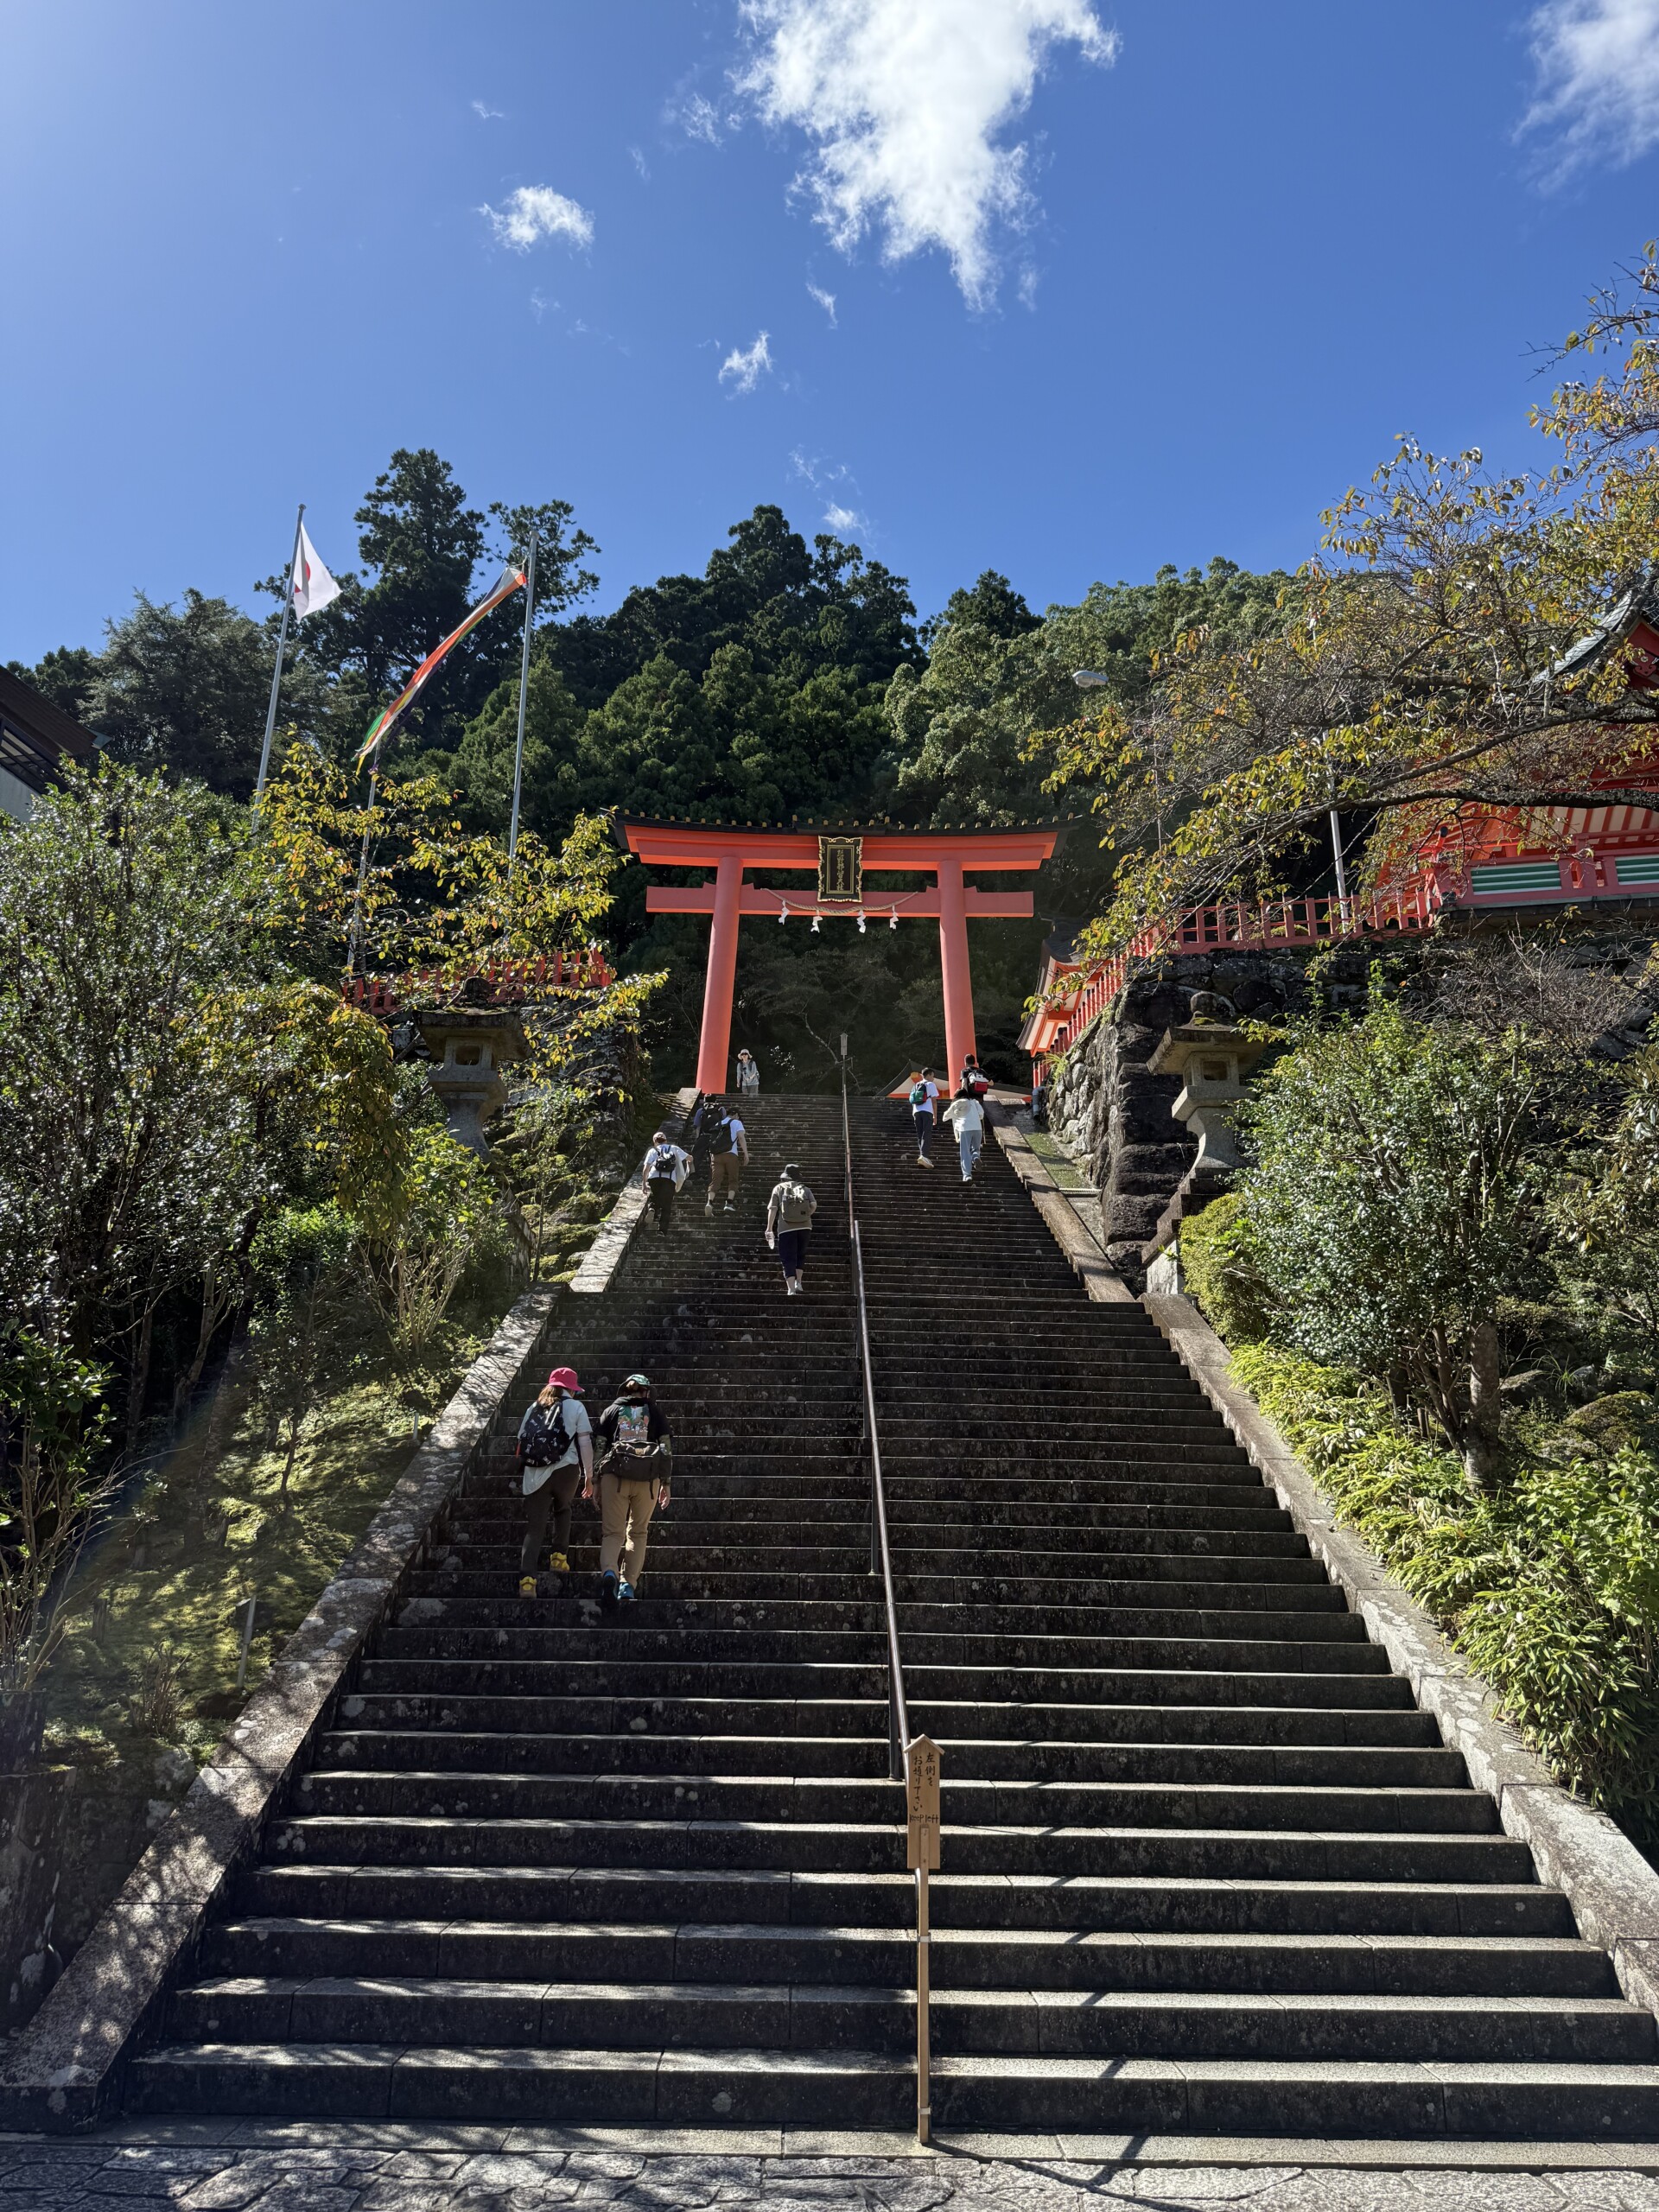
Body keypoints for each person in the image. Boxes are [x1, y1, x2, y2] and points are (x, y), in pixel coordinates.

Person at [592, 1372, 673, 1605]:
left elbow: (600, 1447)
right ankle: (628, 1585)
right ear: (646, 1392)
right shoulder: (655, 1412)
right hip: (647, 1480)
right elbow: (666, 1449)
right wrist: (666, 1482)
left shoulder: (611, 1411)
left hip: (615, 1477)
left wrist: (596, 1480)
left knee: (612, 1533)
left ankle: (610, 1572)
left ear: (625, 1391)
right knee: (638, 1532)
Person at [515, 1367, 594, 1599]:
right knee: (563, 1509)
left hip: (535, 1472)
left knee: (535, 1528)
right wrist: (589, 1476)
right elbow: (585, 1443)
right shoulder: (576, 1407)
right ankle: (559, 1559)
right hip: (566, 1470)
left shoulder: (534, 1407)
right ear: (571, 1389)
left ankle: (527, 1582)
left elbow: (520, 1440)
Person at [766, 1161, 817, 1296]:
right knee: (800, 1254)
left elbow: (773, 1209)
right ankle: (798, 1283)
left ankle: (791, 1289)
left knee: (788, 1257)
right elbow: (813, 1205)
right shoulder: (805, 1189)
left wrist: (769, 1228)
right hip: (805, 1227)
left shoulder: (779, 1188)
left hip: (786, 1228)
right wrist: (806, 1215)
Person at [702, 1096, 750, 1216]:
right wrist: (746, 1154)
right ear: (735, 1115)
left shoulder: (718, 1123)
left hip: (716, 1155)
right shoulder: (737, 1122)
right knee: (733, 1179)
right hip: (731, 1154)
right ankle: (729, 1204)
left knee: (715, 1180)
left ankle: (710, 1203)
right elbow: (741, 1138)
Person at [639, 1128, 690, 1236]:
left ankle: (652, 1208)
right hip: (669, 1179)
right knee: (666, 1205)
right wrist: (691, 1161)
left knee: (655, 1196)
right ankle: (662, 1230)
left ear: (655, 1142)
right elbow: (689, 1158)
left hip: (654, 1177)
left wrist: (644, 1184)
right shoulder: (674, 1148)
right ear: (666, 1140)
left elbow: (646, 1168)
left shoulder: (652, 1151)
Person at [944, 1083, 987, 1182]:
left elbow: (945, 1117)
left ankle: (967, 1175)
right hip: (977, 1128)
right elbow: (981, 1114)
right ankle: (976, 1157)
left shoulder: (957, 1103)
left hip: (964, 1128)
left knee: (965, 1151)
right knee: (976, 1148)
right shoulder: (974, 1102)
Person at [906, 1068, 940, 1167]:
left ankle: (922, 1155)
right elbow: (934, 1101)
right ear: (928, 1075)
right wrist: (935, 1116)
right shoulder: (930, 1084)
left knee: (920, 1135)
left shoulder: (916, 1085)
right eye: (932, 1076)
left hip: (916, 1112)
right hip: (927, 1111)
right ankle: (924, 1156)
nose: (933, 1078)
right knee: (926, 1133)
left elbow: (913, 1099)